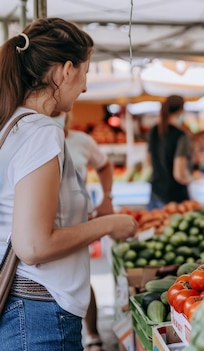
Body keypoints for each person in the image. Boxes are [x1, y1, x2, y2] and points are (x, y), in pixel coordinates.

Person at [0, 17, 138, 350]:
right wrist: (108, 224)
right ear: (65, 71)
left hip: (28, 312)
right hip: (40, 317)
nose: (86, 86)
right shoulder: (41, 132)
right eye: (85, 73)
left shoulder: (14, 126)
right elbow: (33, 246)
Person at [53, 112, 113, 351]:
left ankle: (92, 334)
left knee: (80, 277)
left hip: (78, 221)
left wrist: (107, 198)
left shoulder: (81, 141)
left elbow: (104, 165)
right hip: (47, 224)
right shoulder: (37, 138)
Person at [147, 95, 194, 209]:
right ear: (181, 110)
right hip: (175, 198)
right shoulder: (181, 136)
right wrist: (192, 180)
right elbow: (179, 174)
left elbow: (148, 162)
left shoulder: (153, 131)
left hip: (155, 193)